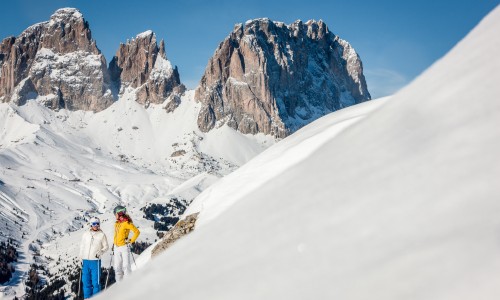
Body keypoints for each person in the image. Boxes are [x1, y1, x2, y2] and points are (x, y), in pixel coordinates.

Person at [79, 217, 108, 299]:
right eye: (94, 224)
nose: (96, 225)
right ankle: (87, 298)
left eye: (97, 224)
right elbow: (82, 246)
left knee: (96, 282)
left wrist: (100, 252)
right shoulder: (86, 234)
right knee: (85, 281)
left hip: (95, 261)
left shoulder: (102, 235)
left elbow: (106, 247)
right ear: (91, 224)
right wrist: (80, 258)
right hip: (85, 261)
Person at [113, 205, 140, 281]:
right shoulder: (117, 223)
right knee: (117, 268)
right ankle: (119, 286)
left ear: (119, 213)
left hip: (124, 247)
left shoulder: (126, 223)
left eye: (115, 214)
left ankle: (128, 285)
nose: (115, 215)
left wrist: (131, 240)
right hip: (116, 248)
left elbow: (137, 232)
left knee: (126, 266)